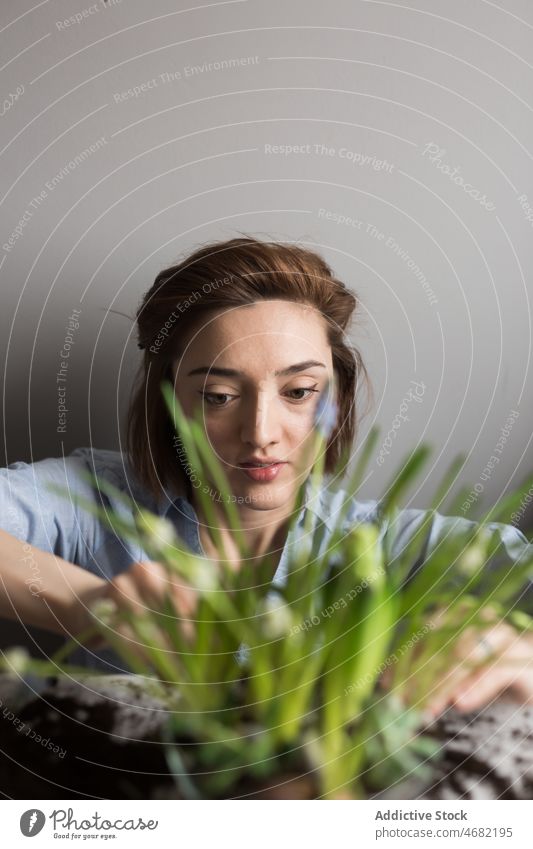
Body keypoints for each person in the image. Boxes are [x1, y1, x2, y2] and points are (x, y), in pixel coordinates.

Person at [1, 235, 533, 719]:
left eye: (298, 392)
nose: (260, 434)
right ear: (169, 405)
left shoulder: (394, 546)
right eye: (219, 397)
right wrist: (93, 606)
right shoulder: (92, 501)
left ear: (337, 397)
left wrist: (509, 640)